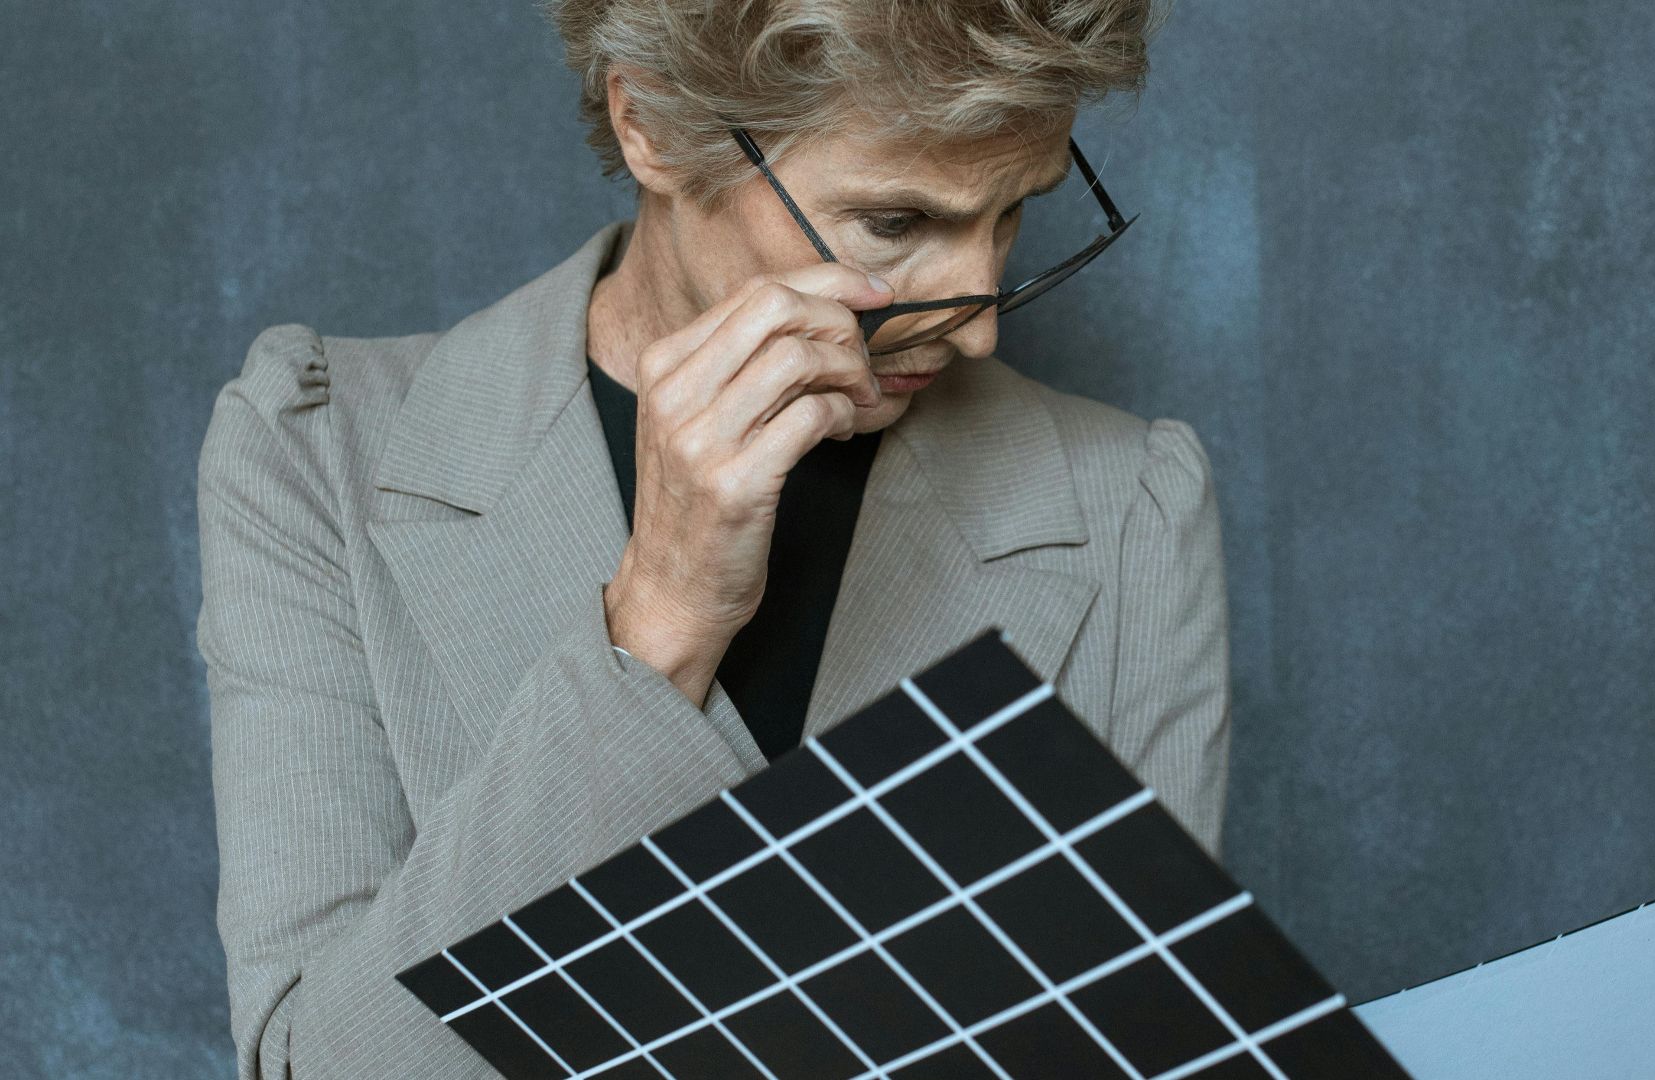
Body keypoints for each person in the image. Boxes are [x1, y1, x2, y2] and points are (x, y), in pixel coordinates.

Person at [196, 1, 1229, 1075]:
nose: (976, 326)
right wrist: (661, 622)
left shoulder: (1126, 511)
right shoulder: (319, 457)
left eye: (1013, 211)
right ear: (647, 125)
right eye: (892, 223)